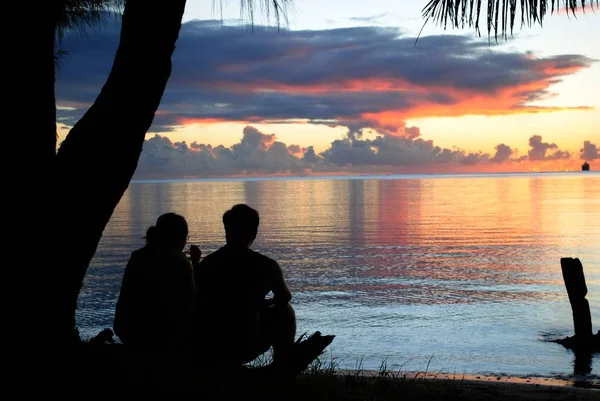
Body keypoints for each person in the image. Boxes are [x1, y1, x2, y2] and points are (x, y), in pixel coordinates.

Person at [191, 204, 296, 367]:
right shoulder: (266, 265)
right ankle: (282, 367)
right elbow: (285, 297)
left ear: (227, 231)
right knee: (284, 311)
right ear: (253, 232)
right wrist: (263, 304)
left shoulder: (208, 263)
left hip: (210, 343)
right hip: (247, 343)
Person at [114, 212, 200, 356]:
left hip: (128, 331)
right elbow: (189, 302)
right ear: (179, 238)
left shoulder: (137, 256)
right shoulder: (179, 263)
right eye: (185, 237)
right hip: (163, 337)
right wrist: (195, 265)